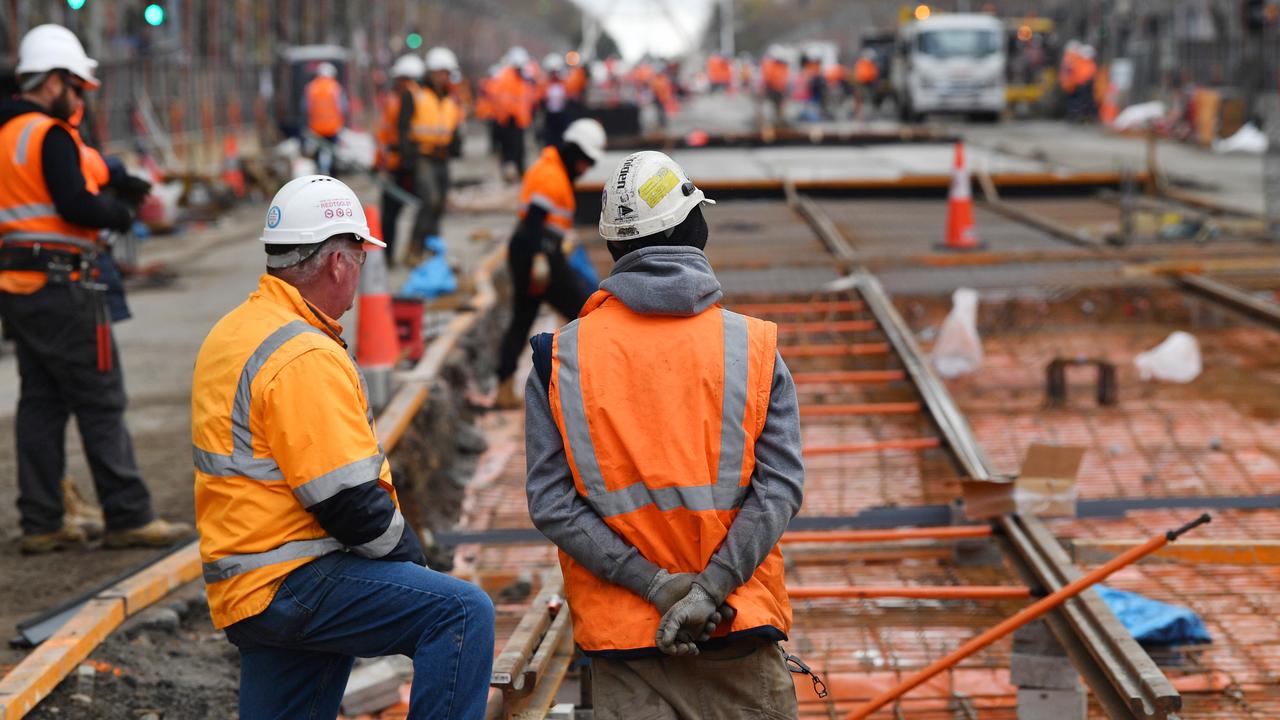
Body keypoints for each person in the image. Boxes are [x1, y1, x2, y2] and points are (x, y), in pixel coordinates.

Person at [192, 175, 495, 719]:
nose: (359, 272)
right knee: (461, 613)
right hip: (293, 579)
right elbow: (350, 502)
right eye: (358, 256)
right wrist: (415, 572)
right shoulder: (302, 353)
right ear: (337, 263)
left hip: (249, 581)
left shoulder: (237, 330)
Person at [523, 151, 805, 718]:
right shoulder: (750, 349)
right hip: (737, 628)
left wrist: (656, 587)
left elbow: (552, 503)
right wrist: (708, 591)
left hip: (628, 647)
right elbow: (779, 491)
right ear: (691, 230)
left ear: (614, 247)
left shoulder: (562, 359)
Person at [0, 24, 190, 554]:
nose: (79, 97)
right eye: (76, 87)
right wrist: (121, 214)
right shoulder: (49, 134)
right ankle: (128, 514)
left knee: (41, 401)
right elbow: (75, 205)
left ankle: (41, 520)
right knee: (101, 398)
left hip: (20, 284)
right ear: (55, 81)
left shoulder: (6, 134)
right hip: (65, 285)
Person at [494, 118, 606, 408]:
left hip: (535, 252)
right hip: (535, 254)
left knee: (523, 319)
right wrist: (540, 260)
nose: (586, 169)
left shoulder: (552, 169)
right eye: (585, 161)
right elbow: (533, 221)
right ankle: (598, 382)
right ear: (574, 150)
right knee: (587, 311)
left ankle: (503, 386)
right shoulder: (550, 175)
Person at [403, 46, 464, 263]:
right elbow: (405, 127)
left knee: (439, 204)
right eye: (439, 72)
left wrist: (456, 146)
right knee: (429, 200)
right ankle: (415, 247)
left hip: (442, 157)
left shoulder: (450, 99)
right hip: (423, 156)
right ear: (430, 72)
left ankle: (433, 246)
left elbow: (454, 127)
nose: (442, 77)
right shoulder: (417, 95)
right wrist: (407, 158)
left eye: (446, 73)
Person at [374, 53, 427, 265]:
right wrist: (378, 163)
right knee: (389, 215)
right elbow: (384, 136)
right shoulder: (393, 102)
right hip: (395, 166)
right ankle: (389, 257)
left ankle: (415, 252)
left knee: (422, 210)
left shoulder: (418, 101)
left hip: (413, 165)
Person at [493, 48, 534, 181]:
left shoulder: (518, 77)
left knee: (519, 150)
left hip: (518, 121)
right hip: (510, 121)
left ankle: (518, 174)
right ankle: (511, 175)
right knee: (511, 150)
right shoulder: (507, 77)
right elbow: (506, 101)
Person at [303, 62, 347, 175]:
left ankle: (320, 175)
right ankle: (332, 176)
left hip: (316, 128)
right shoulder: (335, 87)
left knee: (318, 154)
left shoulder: (311, 88)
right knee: (332, 153)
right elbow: (342, 107)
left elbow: (305, 107)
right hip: (333, 128)